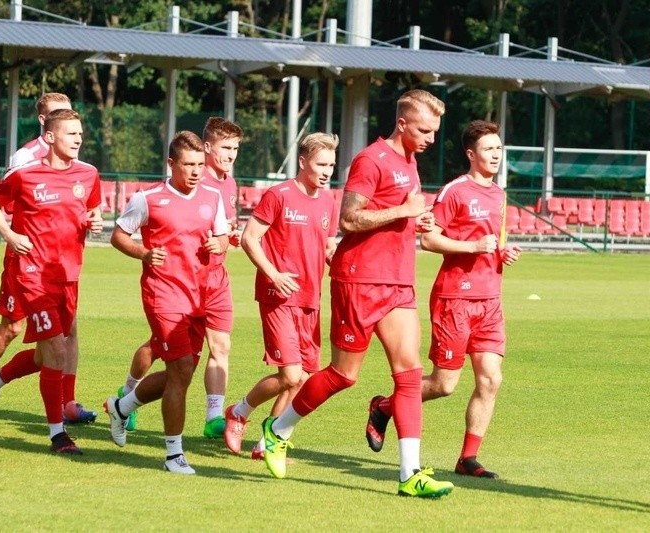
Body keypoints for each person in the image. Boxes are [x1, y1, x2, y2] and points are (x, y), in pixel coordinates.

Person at [257, 89, 454, 498]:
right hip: (359, 279)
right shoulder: (371, 159)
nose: (431, 138)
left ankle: (409, 473)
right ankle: (277, 430)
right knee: (343, 375)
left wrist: (415, 221)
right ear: (402, 124)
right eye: (424, 130)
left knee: (410, 373)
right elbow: (349, 217)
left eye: (435, 131)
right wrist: (403, 212)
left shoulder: (410, 161)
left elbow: (398, 212)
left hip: (398, 281)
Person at [365, 120, 521, 479]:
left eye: (499, 148)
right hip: (455, 299)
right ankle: (385, 407)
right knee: (444, 385)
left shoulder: (499, 194)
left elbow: (493, 242)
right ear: (471, 154)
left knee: (491, 380)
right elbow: (429, 239)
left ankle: (467, 458)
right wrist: (470, 246)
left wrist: (502, 252)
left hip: (490, 300)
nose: (495, 155)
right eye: (488, 149)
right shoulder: (455, 191)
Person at [104, 131, 228, 474]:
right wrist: (144, 253)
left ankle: (122, 406)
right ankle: (174, 454)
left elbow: (222, 237)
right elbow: (118, 235)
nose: (196, 171)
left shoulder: (214, 196)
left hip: (200, 296)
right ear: (171, 164)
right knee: (183, 368)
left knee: (180, 375)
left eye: (201, 164)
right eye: (188, 165)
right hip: (163, 294)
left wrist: (220, 244)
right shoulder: (148, 199)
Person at [223, 132, 338, 458]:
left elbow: (327, 246)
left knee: (302, 377)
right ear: (303, 162)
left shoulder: (328, 200)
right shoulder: (279, 195)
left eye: (331, 164)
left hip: (311, 299)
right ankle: (239, 412)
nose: (327, 171)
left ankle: (269, 440)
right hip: (278, 296)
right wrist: (273, 273)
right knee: (290, 373)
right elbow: (250, 238)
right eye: (321, 163)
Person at [0, 108, 102, 454]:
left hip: (68, 275)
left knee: (46, 357)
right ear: (51, 137)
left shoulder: (88, 174)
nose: (78, 139)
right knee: (56, 348)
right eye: (71, 133)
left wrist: (93, 222)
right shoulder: (26, 175)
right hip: (32, 275)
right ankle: (57, 434)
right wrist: (10, 234)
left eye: (81, 133)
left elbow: (91, 210)